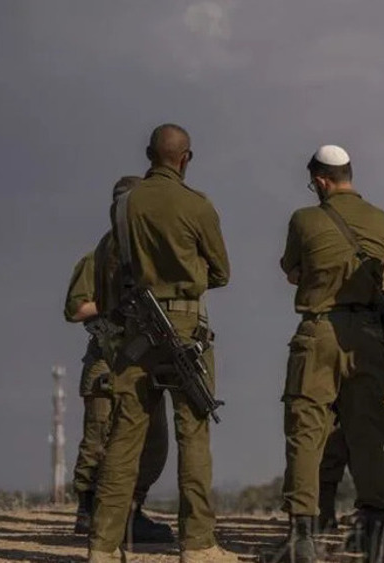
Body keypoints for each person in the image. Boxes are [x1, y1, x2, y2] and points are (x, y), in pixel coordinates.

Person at [88, 124, 233, 563]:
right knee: (193, 433)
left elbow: (108, 275)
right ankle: (198, 544)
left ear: (149, 154)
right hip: (187, 329)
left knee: (124, 437)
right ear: (185, 158)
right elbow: (222, 273)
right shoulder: (198, 205)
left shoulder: (124, 207)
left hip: (136, 330)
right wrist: (186, 280)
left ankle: (103, 545)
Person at [274, 144, 384, 563]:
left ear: (322, 180)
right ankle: (376, 530)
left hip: (319, 331)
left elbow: (292, 271)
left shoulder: (304, 219)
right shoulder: (380, 218)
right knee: (369, 435)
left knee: (307, 432)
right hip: (369, 336)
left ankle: (303, 535)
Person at [65, 176, 172, 543]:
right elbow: (76, 308)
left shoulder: (152, 255)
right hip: (107, 361)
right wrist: (116, 303)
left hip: (143, 364)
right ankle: (88, 508)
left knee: (154, 443)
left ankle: (132, 509)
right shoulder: (96, 258)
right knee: (98, 438)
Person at [317, 273, 384, 533]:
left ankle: (374, 513)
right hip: (337, 368)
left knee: (372, 446)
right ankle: (322, 512)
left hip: (379, 372)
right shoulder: (342, 280)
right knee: (329, 445)